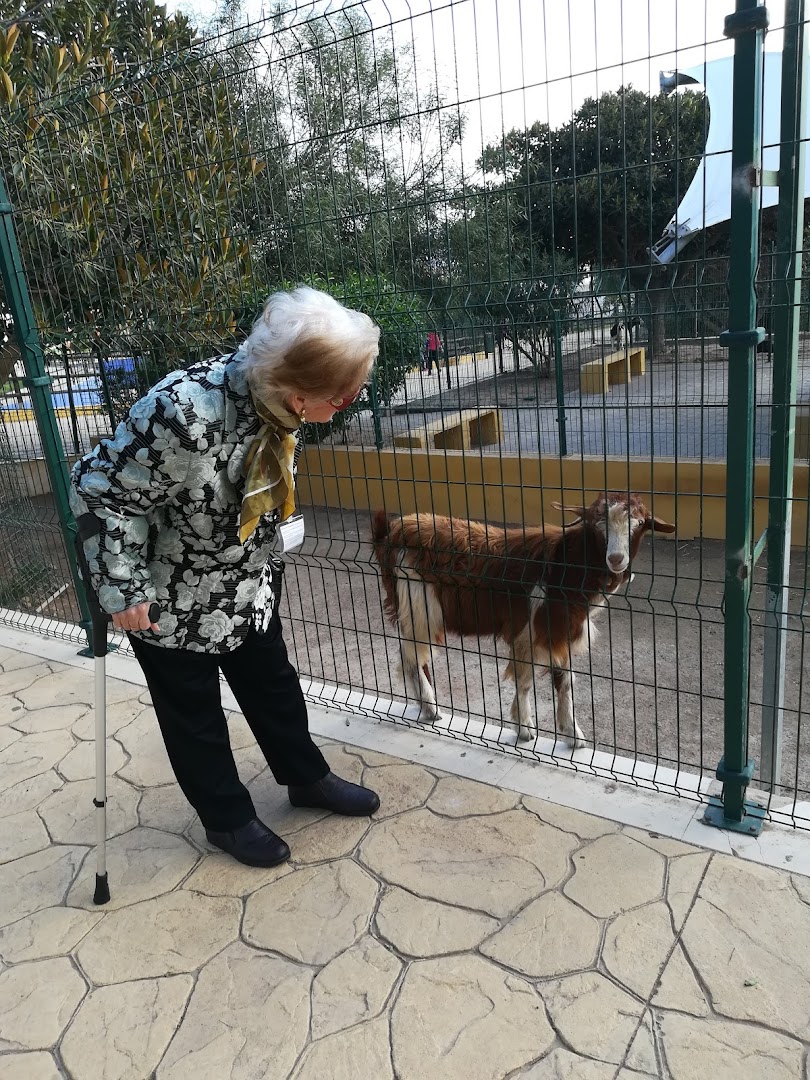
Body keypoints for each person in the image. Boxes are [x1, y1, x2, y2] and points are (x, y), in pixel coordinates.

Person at [69, 286, 382, 868]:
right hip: (171, 595)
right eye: (341, 400)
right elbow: (98, 488)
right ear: (297, 389)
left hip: (247, 584)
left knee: (275, 687)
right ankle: (227, 818)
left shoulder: (274, 400)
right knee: (195, 714)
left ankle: (305, 778)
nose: (347, 405)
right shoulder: (182, 414)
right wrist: (122, 589)